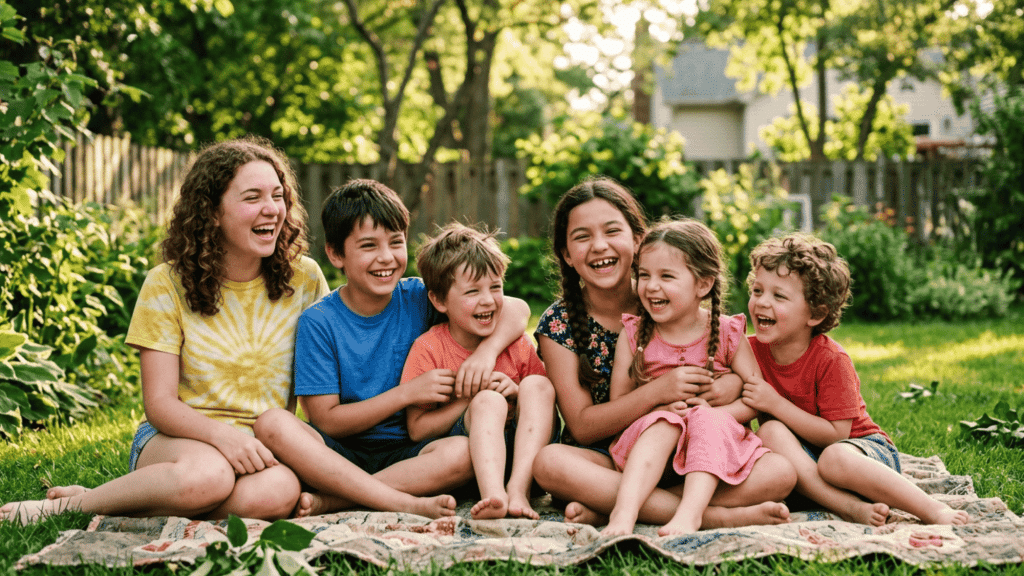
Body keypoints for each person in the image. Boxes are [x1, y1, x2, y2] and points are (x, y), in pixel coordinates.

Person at [0, 135, 330, 525]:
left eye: (278, 196)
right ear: (212, 212)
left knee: (279, 492)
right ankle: (69, 506)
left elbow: (319, 384)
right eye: (252, 197)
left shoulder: (304, 278)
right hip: (177, 441)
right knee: (210, 476)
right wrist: (224, 437)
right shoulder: (166, 284)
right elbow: (160, 405)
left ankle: (134, 502)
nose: (272, 209)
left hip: (261, 448)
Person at [253, 180, 532, 519]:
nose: (386, 257)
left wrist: (486, 353)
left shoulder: (417, 296)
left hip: (415, 453)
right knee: (272, 424)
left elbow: (516, 309)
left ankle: (341, 499)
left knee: (461, 452)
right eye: (368, 246)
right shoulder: (319, 322)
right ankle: (400, 501)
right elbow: (326, 421)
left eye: (396, 242)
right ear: (336, 254)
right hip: (339, 454)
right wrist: (406, 394)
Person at [531, 177, 796, 530]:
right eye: (582, 236)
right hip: (612, 457)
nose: (599, 245)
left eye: (612, 231)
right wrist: (659, 391)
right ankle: (714, 516)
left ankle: (625, 507)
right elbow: (581, 427)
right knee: (550, 463)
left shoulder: (672, 301)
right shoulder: (561, 323)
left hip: (702, 452)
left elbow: (740, 372)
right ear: (566, 253)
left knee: (780, 473)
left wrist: (729, 386)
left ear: (638, 240)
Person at [742, 234, 970, 526]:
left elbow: (836, 434)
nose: (761, 302)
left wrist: (773, 403)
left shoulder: (831, 359)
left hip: (860, 455)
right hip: (805, 471)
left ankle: (933, 510)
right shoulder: (748, 352)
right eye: (757, 290)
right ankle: (847, 507)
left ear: (816, 313)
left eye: (779, 296)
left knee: (834, 458)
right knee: (770, 432)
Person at [601, 219, 770, 536]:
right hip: (653, 455)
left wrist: (711, 415)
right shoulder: (635, 334)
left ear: (703, 285)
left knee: (783, 473)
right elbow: (619, 404)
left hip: (713, 454)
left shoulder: (727, 332)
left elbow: (756, 399)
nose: (651, 286)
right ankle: (622, 515)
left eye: (666, 276)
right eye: (644, 275)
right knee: (665, 424)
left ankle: (684, 514)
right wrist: (657, 410)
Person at [402, 223, 557, 520]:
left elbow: (543, 401)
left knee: (537, 384)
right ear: (439, 300)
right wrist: (468, 402)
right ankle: (493, 494)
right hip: (472, 458)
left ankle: (519, 490)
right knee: (488, 401)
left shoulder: (515, 341)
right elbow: (416, 429)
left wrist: (515, 391)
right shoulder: (430, 348)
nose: (488, 300)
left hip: (527, 453)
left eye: (495, 287)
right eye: (473, 291)